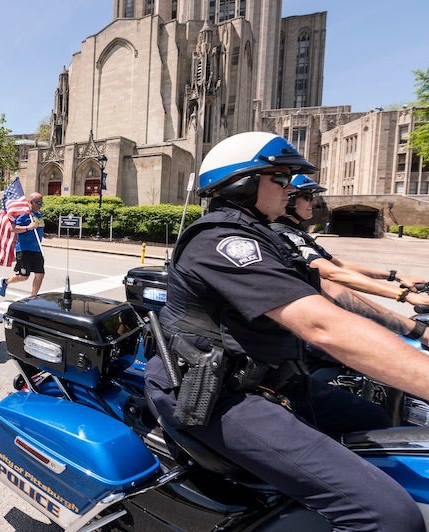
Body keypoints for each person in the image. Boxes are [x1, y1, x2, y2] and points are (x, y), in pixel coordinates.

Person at [145, 131, 427, 530]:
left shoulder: (271, 237)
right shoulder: (222, 242)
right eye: (280, 177)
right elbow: (321, 325)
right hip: (215, 393)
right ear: (241, 183)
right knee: (390, 518)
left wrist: (415, 330)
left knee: (377, 423)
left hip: (275, 380)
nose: (290, 187)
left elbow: (331, 290)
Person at [271, 174, 429, 306]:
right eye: (307, 197)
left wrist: (395, 276)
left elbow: (338, 264)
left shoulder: (296, 231)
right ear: (290, 201)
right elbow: (333, 273)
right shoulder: (282, 232)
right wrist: (404, 295)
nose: (312, 202)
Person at [0, 192, 45, 297]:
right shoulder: (24, 214)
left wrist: (46, 235)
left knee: (40, 274)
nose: (40, 205)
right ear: (31, 202)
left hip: (37, 249)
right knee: (24, 276)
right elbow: (13, 228)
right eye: (38, 202)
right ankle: (5, 282)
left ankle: (33, 297)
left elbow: (38, 230)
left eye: (42, 203)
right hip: (24, 249)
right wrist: (28, 227)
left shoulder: (39, 215)